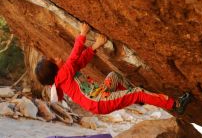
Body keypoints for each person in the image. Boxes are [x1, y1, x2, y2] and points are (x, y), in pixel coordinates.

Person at [35, 23, 191, 115]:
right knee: (138, 93)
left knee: (114, 76)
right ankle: (175, 105)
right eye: (53, 60)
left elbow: (80, 61)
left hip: (100, 94)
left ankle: (139, 99)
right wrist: (82, 34)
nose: (57, 58)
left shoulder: (65, 75)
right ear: (54, 69)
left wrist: (97, 45)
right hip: (99, 102)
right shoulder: (62, 75)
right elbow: (74, 56)